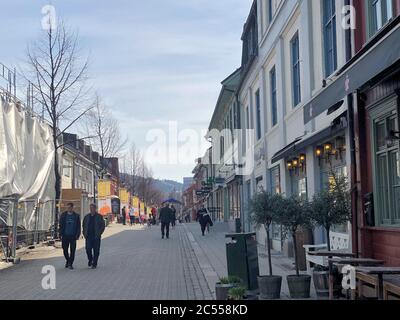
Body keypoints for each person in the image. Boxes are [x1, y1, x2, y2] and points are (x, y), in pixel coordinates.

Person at [83, 204, 105, 269]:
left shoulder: (99, 217)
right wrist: (84, 233)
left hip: (96, 237)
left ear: (95, 209)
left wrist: (99, 233)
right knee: (88, 249)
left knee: (96, 250)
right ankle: (90, 259)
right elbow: (84, 225)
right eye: (90, 208)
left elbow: (102, 226)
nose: (91, 209)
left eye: (92, 208)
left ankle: (94, 263)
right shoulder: (86, 217)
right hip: (88, 236)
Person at [59, 203, 81, 269]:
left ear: (72, 208)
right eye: (67, 207)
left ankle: (70, 264)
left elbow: (78, 226)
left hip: (73, 236)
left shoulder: (76, 216)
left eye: (69, 207)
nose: (68, 209)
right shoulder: (63, 215)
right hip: (65, 235)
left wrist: (77, 235)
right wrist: (60, 234)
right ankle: (68, 260)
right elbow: (61, 225)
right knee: (65, 249)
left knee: (72, 250)